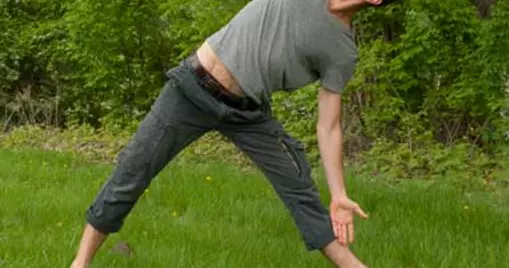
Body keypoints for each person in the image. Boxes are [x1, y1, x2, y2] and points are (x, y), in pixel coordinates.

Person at [70, 0, 398, 267]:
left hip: (247, 112)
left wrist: (339, 194)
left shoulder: (342, 51)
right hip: (189, 91)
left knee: (298, 181)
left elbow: (328, 125)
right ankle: (80, 263)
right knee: (134, 168)